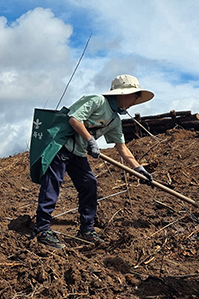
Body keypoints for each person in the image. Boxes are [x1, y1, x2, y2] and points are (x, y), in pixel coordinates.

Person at [32, 74, 155, 249]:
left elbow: (121, 147)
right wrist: (90, 140)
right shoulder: (97, 101)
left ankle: (86, 230)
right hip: (61, 146)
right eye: (133, 97)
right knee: (53, 184)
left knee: (89, 184)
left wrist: (138, 168)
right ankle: (42, 229)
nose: (133, 102)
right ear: (122, 94)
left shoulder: (114, 120)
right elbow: (74, 119)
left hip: (78, 153)